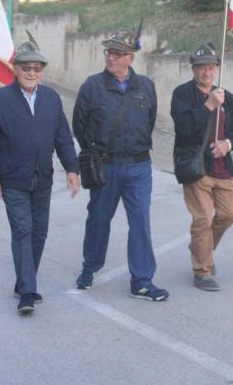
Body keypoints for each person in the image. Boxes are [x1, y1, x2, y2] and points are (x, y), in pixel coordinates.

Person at [0, 40, 81, 314]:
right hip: (12, 180)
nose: (31, 72)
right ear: (15, 68)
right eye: (26, 67)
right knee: (22, 231)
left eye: (37, 68)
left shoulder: (51, 98)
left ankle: (23, 280)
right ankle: (27, 291)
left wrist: (72, 168)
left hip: (42, 179)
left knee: (39, 233)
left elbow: (63, 138)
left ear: (42, 71)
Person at [72, 28, 169, 302]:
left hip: (139, 166)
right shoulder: (92, 86)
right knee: (99, 219)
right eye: (109, 52)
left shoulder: (145, 87)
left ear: (130, 57)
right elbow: (79, 125)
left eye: (117, 54)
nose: (111, 58)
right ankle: (90, 268)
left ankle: (141, 280)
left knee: (140, 222)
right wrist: (95, 151)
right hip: (107, 166)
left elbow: (149, 122)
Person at [170, 43, 233, 291]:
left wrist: (229, 143)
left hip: (222, 167)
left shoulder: (228, 97)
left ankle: (200, 247)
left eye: (211, 67)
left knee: (229, 214)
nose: (206, 72)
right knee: (202, 218)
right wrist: (209, 106)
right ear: (193, 69)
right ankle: (202, 271)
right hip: (196, 167)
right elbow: (184, 128)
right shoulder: (182, 94)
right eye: (201, 67)